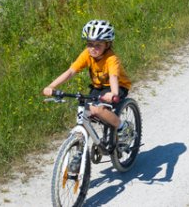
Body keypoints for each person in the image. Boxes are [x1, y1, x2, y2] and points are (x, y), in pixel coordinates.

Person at [42, 19, 133, 149]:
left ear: (107, 45)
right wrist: (51, 86)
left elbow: (113, 77)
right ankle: (80, 148)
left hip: (117, 86)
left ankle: (123, 128)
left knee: (98, 109)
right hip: (98, 87)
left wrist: (113, 93)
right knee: (85, 110)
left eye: (98, 45)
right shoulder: (87, 54)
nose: (93, 49)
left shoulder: (111, 59)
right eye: (90, 44)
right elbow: (71, 72)